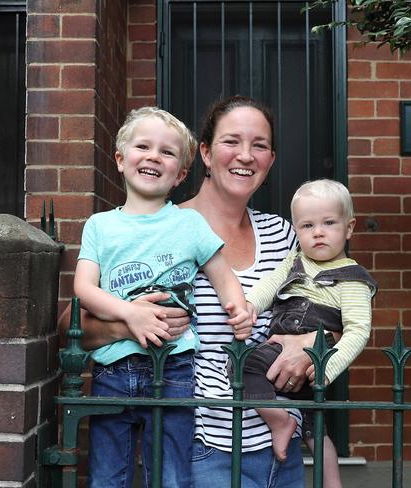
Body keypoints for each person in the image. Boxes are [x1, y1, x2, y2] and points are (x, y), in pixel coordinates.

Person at [59, 96, 318, 488]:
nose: (246, 156)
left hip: (280, 444)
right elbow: (72, 325)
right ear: (206, 153)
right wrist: (130, 323)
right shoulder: (163, 229)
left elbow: (330, 307)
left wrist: (310, 342)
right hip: (201, 444)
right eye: (232, 141)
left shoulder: (282, 234)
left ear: (271, 159)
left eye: (260, 145)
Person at [74, 106, 252, 488]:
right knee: (107, 475)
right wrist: (129, 316)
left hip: (174, 367)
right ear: (120, 160)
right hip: (113, 368)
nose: (154, 156)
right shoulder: (100, 226)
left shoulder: (188, 224)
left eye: (167, 152)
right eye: (143, 146)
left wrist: (237, 307)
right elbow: (84, 289)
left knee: (171, 473)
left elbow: (222, 275)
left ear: (180, 175)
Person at [240, 179, 377, 474]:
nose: (318, 232)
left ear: (349, 227)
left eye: (329, 222)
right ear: (296, 230)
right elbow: (271, 283)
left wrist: (327, 367)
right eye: (306, 226)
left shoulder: (352, 279)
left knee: (245, 366)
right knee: (314, 425)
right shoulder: (296, 259)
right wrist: (251, 305)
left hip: (315, 361)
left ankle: (283, 425)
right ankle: (281, 419)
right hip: (279, 351)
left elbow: (358, 330)